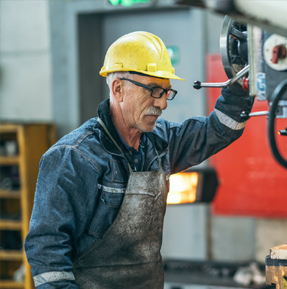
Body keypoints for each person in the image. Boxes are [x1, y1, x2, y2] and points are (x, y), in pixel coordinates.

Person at [24, 31, 253, 289]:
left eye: (167, 92)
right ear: (118, 89)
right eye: (154, 90)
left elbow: (220, 130)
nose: (162, 104)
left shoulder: (161, 142)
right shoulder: (73, 157)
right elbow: (47, 251)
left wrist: (244, 77)